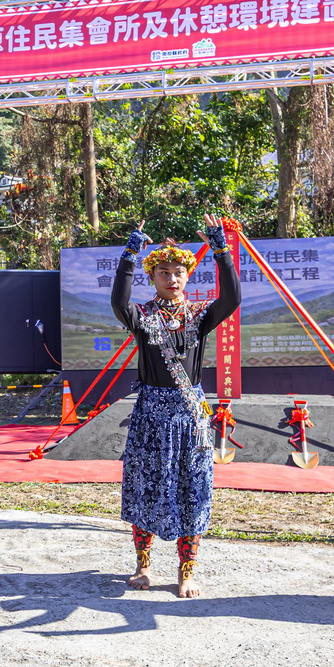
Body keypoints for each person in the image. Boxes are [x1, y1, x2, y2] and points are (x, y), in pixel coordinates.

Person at [112, 217, 241, 598]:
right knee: (145, 488)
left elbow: (232, 298)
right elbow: (118, 302)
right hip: (151, 414)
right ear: (152, 278)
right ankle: (142, 566)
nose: (171, 279)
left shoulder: (199, 317)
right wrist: (131, 252)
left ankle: (187, 572)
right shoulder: (143, 317)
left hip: (190, 416)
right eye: (163, 273)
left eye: (178, 273)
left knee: (192, 488)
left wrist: (220, 248)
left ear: (187, 278)